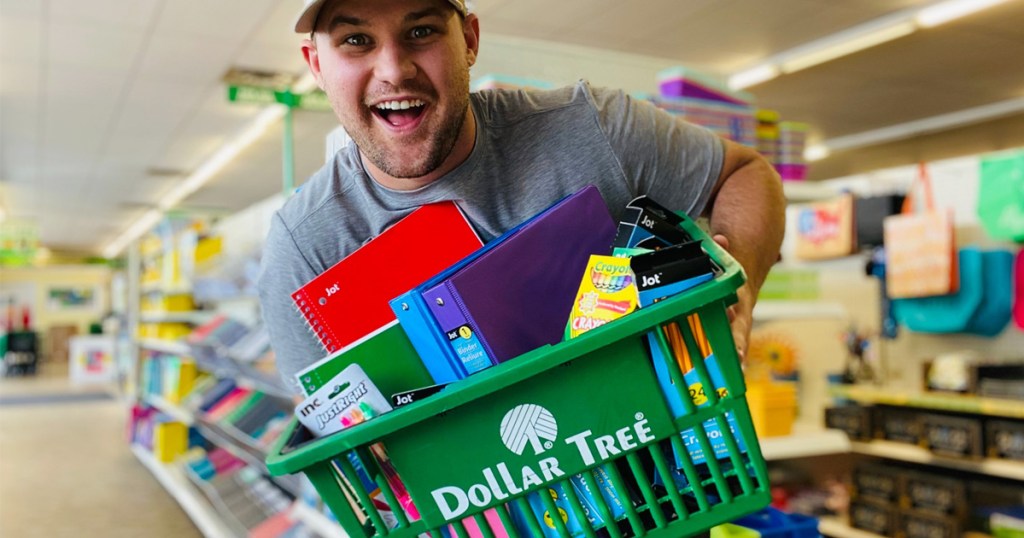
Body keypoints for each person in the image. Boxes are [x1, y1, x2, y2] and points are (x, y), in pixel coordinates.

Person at [258, 0, 786, 395]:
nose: (394, 69)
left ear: (468, 39)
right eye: (355, 41)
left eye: (420, 31)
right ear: (316, 65)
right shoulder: (305, 246)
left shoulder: (592, 127)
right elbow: (338, 441)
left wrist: (737, 286)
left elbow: (745, 173)